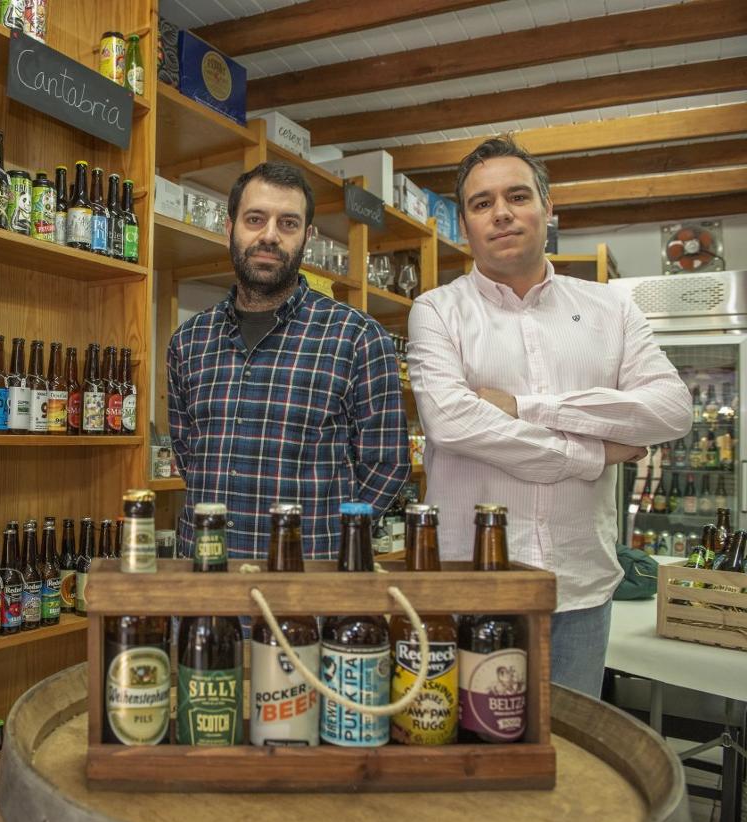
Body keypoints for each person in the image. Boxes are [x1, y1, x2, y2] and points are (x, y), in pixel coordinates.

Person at [407, 136, 692, 697]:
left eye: (517, 196)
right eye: (482, 203)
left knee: (571, 766)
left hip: (579, 593)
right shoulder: (437, 311)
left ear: (548, 208)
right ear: (464, 225)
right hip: (474, 588)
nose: (502, 213)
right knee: (468, 762)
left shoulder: (612, 308)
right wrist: (589, 453)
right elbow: (453, 422)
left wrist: (527, 408)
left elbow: (671, 409)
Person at [167, 162, 411, 560]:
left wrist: (333, 548)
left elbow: (385, 466)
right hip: (206, 576)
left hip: (307, 584)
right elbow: (187, 454)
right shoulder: (189, 340)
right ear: (230, 229)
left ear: (307, 237)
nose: (269, 236)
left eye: (288, 224)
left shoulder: (357, 337)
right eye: (255, 219)